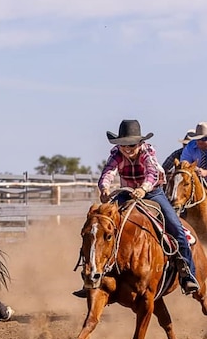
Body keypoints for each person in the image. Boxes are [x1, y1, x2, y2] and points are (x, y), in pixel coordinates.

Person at [74, 119, 199, 298]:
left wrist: (143, 189)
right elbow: (108, 172)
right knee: (100, 225)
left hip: (153, 192)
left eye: (131, 144)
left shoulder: (147, 152)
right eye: (124, 144)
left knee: (176, 227)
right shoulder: (117, 153)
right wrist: (104, 188)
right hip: (126, 193)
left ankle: (187, 273)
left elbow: (152, 173)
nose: (127, 148)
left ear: (140, 143)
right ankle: (91, 273)